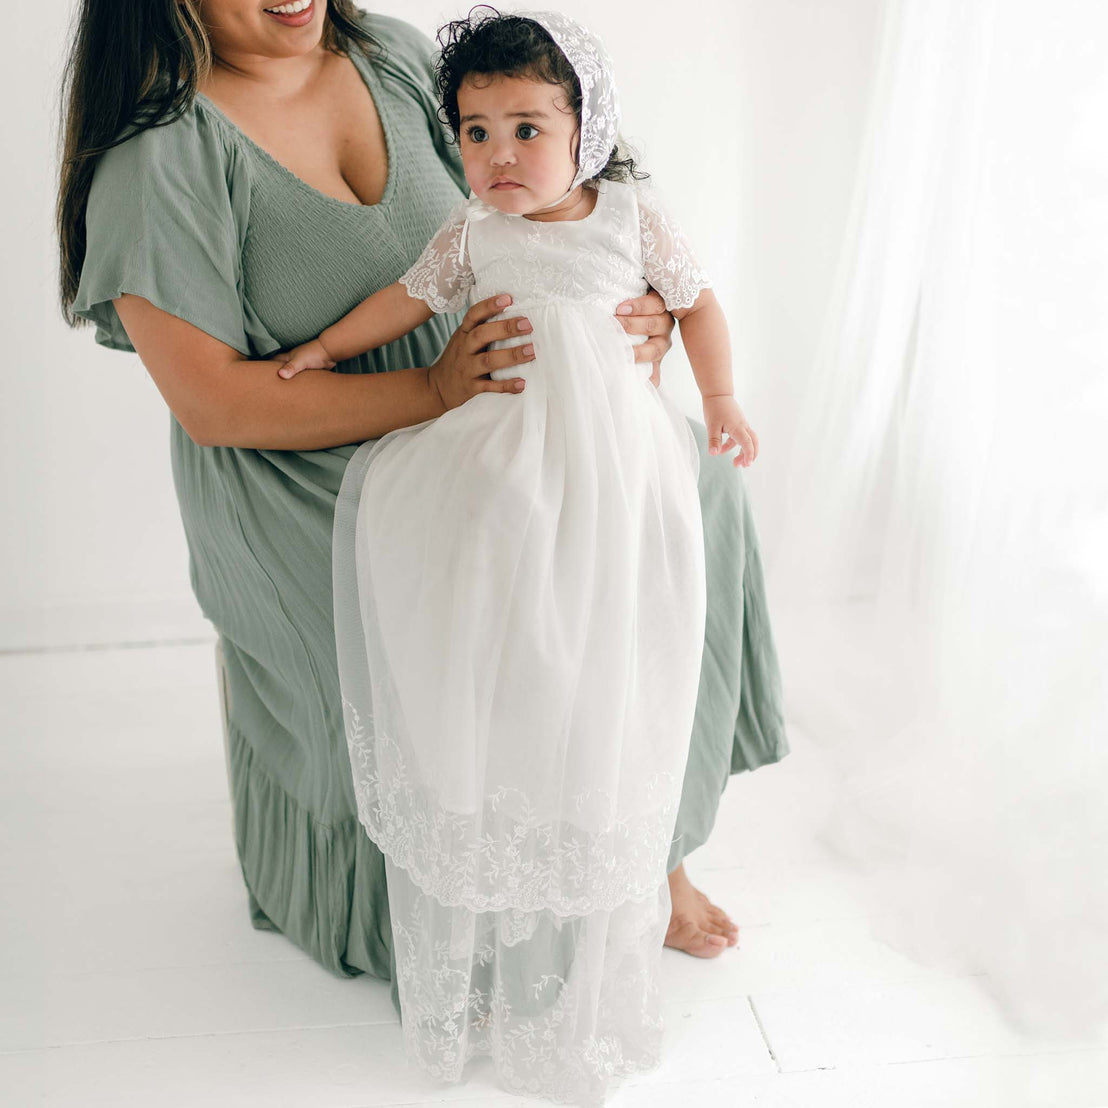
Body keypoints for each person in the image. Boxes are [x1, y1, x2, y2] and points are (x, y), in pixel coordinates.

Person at [57, 0, 786, 1028]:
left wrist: (650, 303)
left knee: (688, 489)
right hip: (309, 456)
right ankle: (472, 903)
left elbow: (585, 178)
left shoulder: (396, 58)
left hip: (500, 409)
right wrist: (434, 393)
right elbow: (218, 403)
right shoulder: (161, 156)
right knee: (489, 577)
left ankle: (640, 851)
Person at [273, 10, 756, 1099]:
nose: (498, 157)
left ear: (587, 129)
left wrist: (718, 396)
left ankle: (622, 868)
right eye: (475, 132)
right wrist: (325, 348)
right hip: (504, 447)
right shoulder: (472, 237)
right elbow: (402, 300)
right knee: (486, 540)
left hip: (618, 466)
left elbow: (700, 304)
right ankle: (493, 875)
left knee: (616, 617)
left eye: (527, 129)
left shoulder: (630, 218)